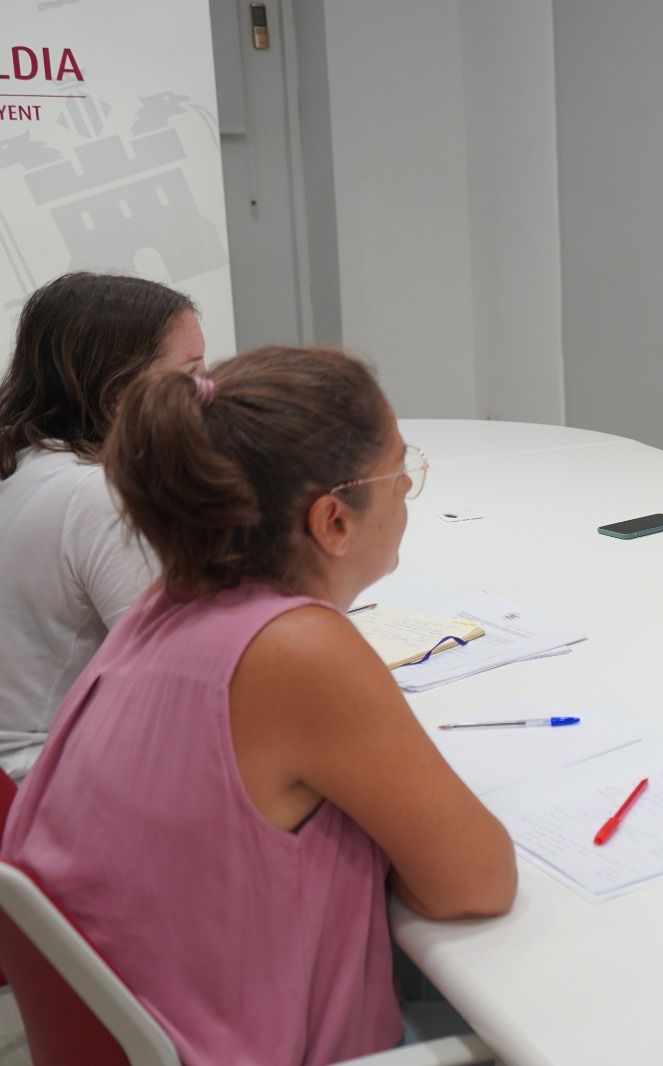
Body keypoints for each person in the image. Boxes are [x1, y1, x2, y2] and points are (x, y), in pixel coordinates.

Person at [0, 347, 517, 1062]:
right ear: (334, 521)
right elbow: (477, 884)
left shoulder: (168, 601)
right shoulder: (299, 650)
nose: (406, 488)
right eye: (400, 470)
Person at [0, 272, 206, 778]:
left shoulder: (28, 461)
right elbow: (186, 675)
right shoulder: (98, 497)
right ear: (118, 397)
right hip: (49, 780)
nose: (209, 390)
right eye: (191, 372)